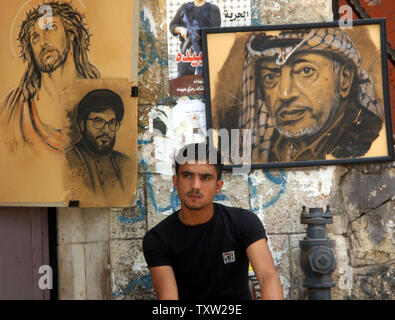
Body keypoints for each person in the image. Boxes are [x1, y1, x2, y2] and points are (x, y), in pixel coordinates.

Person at [143, 143, 283, 300]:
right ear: (176, 181)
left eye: (205, 178)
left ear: (218, 186)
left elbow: (268, 277)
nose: (195, 186)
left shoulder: (242, 222)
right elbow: (168, 298)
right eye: (187, 176)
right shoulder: (158, 239)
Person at [240, 28, 383, 163]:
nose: (285, 94)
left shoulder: (364, 143)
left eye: (306, 71)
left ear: (344, 79)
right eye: (270, 76)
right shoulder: (271, 148)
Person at [0, 2, 100, 153]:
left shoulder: (100, 96)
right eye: (35, 37)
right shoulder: (11, 108)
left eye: (50, 28)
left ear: (71, 32)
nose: (43, 42)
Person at [64, 89, 131, 197]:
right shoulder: (66, 161)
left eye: (112, 123)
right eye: (98, 121)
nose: (106, 130)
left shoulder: (125, 163)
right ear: (82, 124)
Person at [170, 0, 221, 77]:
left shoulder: (213, 9)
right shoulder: (185, 8)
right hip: (187, 55)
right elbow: (172, 26)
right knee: (183, 82)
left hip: (205, 53)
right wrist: (181, 29)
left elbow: (215, 31)